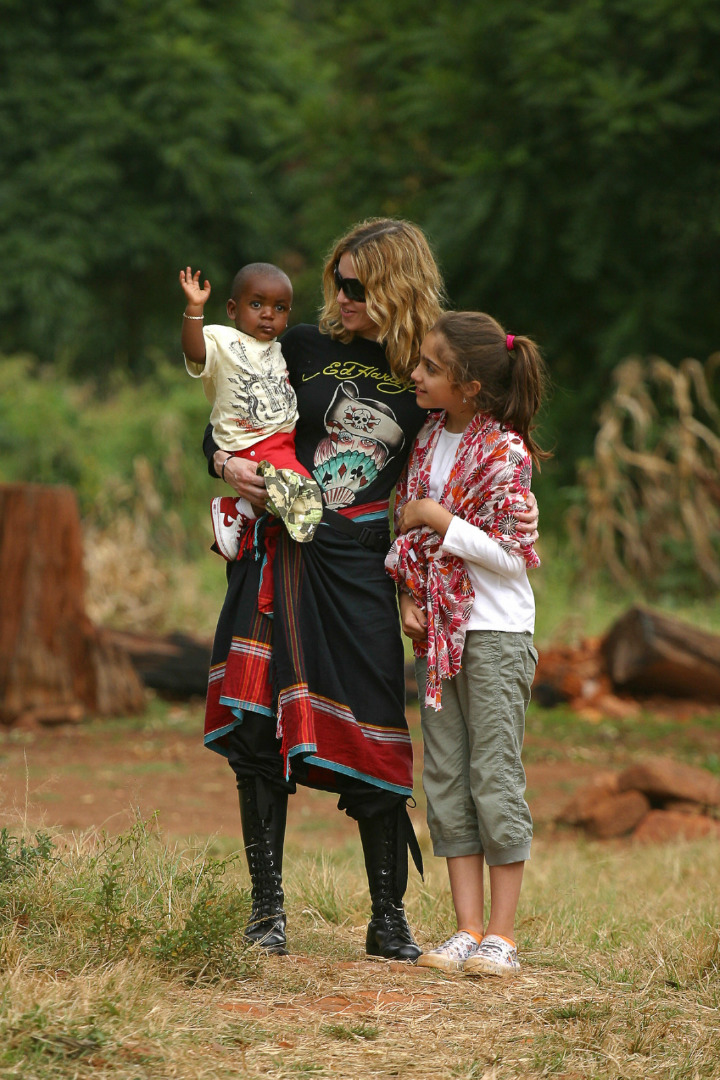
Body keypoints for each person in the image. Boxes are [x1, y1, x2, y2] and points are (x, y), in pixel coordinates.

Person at [200, 221, 540, 962]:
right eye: (336, 281)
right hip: (279, 554)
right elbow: (227, 422)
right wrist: (228, 469)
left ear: (395, 288)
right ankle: (268, 915)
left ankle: (389, 919)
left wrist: (437, 568)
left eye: (356, 286)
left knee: (379, 733)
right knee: (258, 728)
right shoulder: (301, 349)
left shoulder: (432, 370)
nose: (340, 298)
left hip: (361, 567)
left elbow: (477, 461)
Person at [385, 311, 548, 977]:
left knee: (494, 774)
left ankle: (502, 938)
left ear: (470, 385)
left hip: (495, 633)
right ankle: (465, 929)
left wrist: (437, 518)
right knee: (446, 775)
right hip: (443, 634)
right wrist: (412, 594)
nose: (416, 375)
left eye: (430, 367)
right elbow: (411, 542)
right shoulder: (425, 443)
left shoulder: (505, 453)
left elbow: (512, 554)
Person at [180, 262, 323, 554]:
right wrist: (194, 309)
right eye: (256, 304)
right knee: (305, 503)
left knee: (304, 504)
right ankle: (240, 512)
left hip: (282, 444)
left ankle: (242, 514)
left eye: (280, 308)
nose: (268, 314)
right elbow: (194, 351)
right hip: (251, 440)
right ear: (233, 309)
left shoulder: (279, 349)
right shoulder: (223, 341)